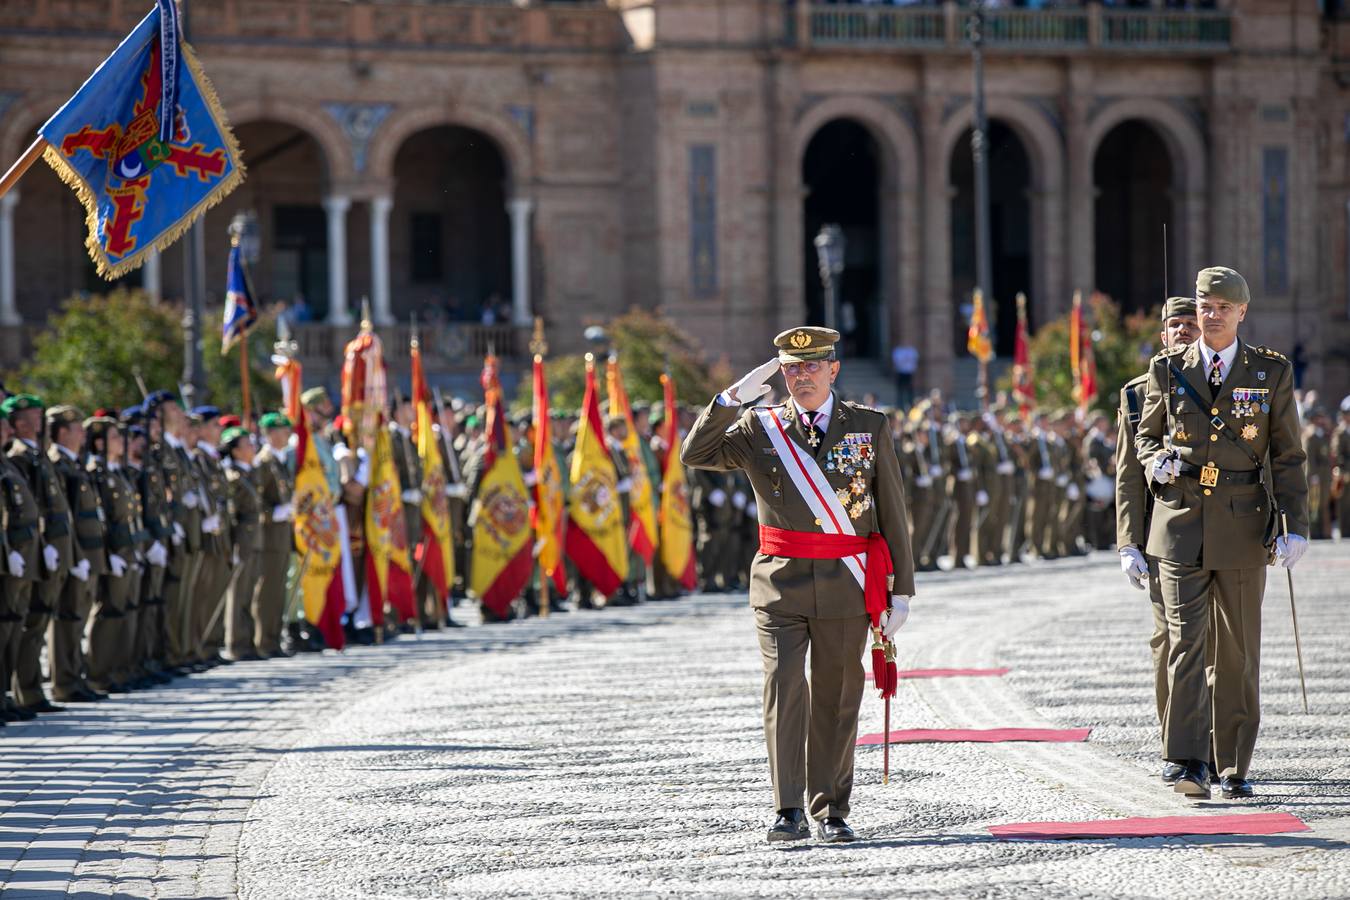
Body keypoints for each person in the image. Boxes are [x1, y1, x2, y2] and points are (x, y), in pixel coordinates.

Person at [681, 326, 914, 844]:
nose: (801, 376)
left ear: (834, 369)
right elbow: (695, 453)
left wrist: (902, 591)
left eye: (811, 367)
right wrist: (729, 399)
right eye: (791, 368)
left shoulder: (868, 426)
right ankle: (786, 808)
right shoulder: (758, 428)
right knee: (785, 685)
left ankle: (831, 809)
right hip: (779, 583)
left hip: (846, 582)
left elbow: (893, 512)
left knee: (836, 693)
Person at [1135, 267, 1309, 800]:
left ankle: (1232, 763)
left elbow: (1287, 455)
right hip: (1180, 522)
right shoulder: (1167, 369)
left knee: (1236, 650)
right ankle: (1186, 760)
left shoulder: (1269, 373)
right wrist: (1154, 462)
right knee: (1186, 644)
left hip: (1241, 520)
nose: (1210, 316)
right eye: (1203, 306)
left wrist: (1294, 525)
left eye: (1221, 308)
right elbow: (1144, 436)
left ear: (1241, 314)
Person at [1115, 296, 1199, 785]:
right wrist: (1128, 541)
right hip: (1159, 535)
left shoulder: (1224, 383)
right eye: (1175, 324)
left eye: (1191, 323)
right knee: (1171, 641)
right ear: (1161, 334)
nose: (1184, 331)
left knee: (1216, 646)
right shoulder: (1135, 393)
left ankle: (1210, 749)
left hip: (1218, 528)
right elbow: (1128, 473)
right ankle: (1178, 744)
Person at [253, 413, 295, 657]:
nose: (286, 434)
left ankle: (274, 637)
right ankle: (264, 640)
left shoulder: (279, 460)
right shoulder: (264, 461)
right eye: (281, 430)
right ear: (270, 434)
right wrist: (275, 513)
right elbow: (256, 503)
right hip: (268, 535)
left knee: (278, 588)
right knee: (267, 589)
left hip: (282, 535)